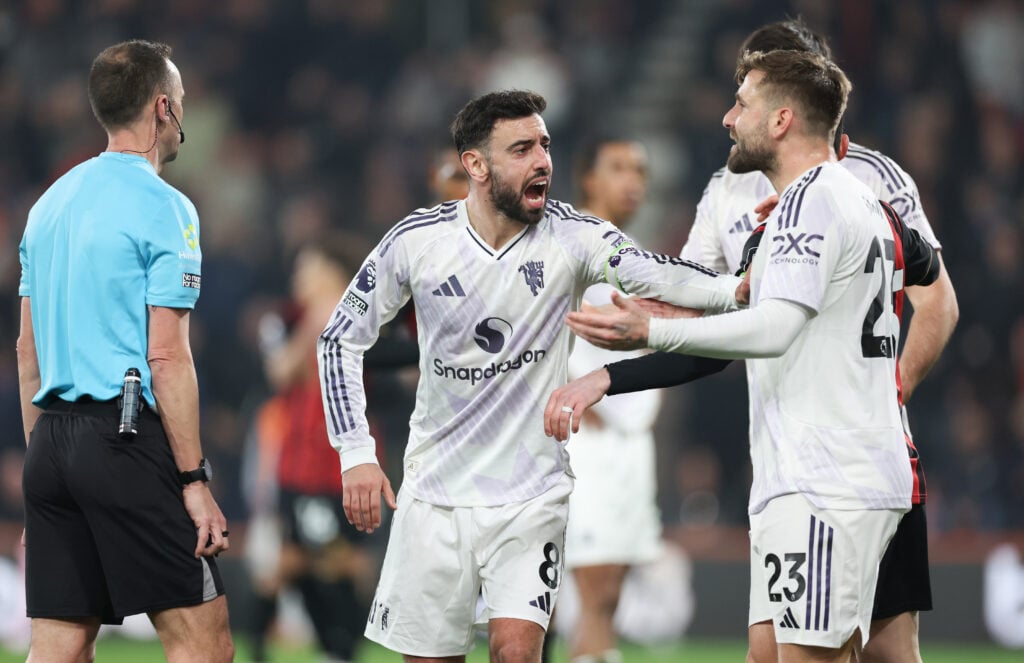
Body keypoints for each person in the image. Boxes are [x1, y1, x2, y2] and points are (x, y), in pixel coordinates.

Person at [547, 19, 959, 663]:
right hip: (789, 465)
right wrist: (619, 357)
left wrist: (887, 390)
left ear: (786, 112)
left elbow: (923, 302)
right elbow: (716, 306)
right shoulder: (763, 193)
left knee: (873, 653)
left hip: (837, 467)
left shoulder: (844, 188)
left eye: (746, 96)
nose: (728, 113)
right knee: (775, 653)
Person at [316, 89, 746, 663]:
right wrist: (356, 454)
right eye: (521, 149)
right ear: (476, 165)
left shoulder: (574, 237)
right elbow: (339, 339)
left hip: (531, 493)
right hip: (436, 496)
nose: (542, 160)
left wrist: (740, 287)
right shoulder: (417, 242)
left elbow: (663, 277)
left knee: (517, 653)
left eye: (545, 145)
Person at [16, 40, 233, 663]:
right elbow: (166, 357)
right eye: (184, 103)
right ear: (163, 108)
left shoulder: (46, 205)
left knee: (58, 644)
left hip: (50, 444)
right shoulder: (167, 207)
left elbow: (28, 353)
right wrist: (193, 480)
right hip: (124, 437)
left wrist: (44, 476)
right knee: (204, 643)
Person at [248, 233, 391, 662]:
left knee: (331, 560)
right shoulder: (287, 320)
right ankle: (326, 647)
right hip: (297, 464)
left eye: (306, 268)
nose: (299, 278)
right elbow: (280, 375)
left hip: (340, 462)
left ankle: (340, 646)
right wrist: (313, 325)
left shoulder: (367, 316)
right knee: (299, 560)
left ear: (331, 271)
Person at [561, 136, 663, 663]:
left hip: (631, 444)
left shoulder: (635, 254)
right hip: (590, 445)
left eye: (640, 169)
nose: (633, 181)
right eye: (618, 167)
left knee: (610, 597)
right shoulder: (566, 249)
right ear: (588, 179)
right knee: (594, 592)